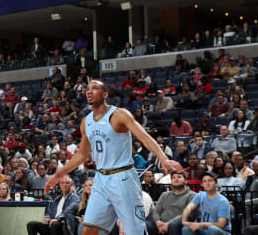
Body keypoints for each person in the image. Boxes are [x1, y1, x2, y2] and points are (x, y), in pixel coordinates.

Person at [45, 80, 182, 235]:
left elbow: (143, 137)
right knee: (88, 229)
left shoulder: (119, 114)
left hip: (123, 177)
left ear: (105, 95)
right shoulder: (86, 122)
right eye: (87, 89)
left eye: (94, 88)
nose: (89, 91)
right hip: (101, 178)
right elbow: (82, 154)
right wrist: (58, 174)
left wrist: (163, 159)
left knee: (133, 232)